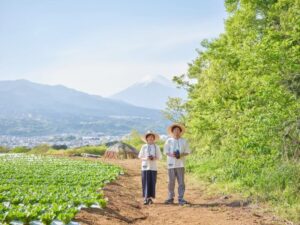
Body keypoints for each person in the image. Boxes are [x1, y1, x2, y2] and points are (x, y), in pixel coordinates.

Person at [164, 123, 190, 205]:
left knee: (181, 182)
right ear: (172, 131)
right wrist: (173, 155)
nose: (176, 132)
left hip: (181, 164)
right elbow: (166, 152)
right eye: (175, 130)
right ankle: (170, 198)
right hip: (171, 164)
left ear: (180, 131)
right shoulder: (169, 141)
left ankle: (181, 198)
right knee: (171, 181)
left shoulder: (184, 141)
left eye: (178, 130)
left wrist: (180, 155)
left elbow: (187, 152)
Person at [138, 131, 162, 205]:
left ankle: (150, 198)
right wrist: (146, 158)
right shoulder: (143, 146)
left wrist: (154, 158)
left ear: (154, 138)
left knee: (152, 182)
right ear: (146, 138)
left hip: (153, 167)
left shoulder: (156, 147)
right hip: (145, 166)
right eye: (149, 137)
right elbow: (139, 156)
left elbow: (160, 157)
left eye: (152, 137)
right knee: (145, 182)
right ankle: (145, 198)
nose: (150, 138)